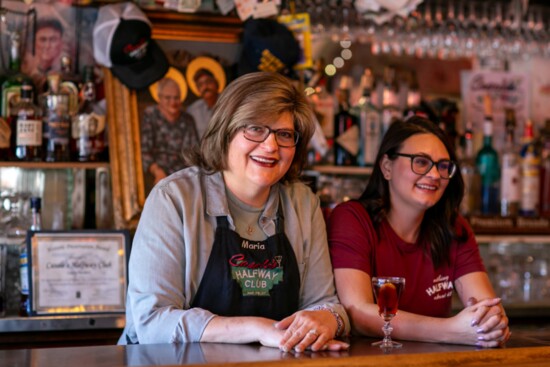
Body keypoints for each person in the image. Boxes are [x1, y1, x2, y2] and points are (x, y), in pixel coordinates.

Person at [119, 72, 350, 352]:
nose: (270, 146)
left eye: (285, 134)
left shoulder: (303, 203)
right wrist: (257, 328)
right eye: (255, 129)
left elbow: (324, 302)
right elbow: (152, 323)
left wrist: (329, 319)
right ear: (227, 129)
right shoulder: (174, 199)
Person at [328, 116, 510, 348]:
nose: (435, 175)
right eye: (421, 162)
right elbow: (357, 313)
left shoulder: (453, 228)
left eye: (443, 166)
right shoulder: (352, 219)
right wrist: (450, 330)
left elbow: (487, 308)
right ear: (387, 167)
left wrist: (492, 323)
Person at [141, 77, 198, 186]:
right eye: (168, 98)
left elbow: (193, 152)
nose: (173, 102)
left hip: (184, 176)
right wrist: (157, 171)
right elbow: (145, 150)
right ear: (159, 98)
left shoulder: (188, 119)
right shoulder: (150, 115)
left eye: (176, 98)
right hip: (158, 174)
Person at [23, 18, 64, 91]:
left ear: (61, 43)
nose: (47, 46)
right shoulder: (26, 72)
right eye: (43, 40)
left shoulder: (64, 76)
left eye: (53, 39)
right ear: (34, 43)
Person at [187, 68, 219, 138]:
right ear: (198, 90)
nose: (205, 87)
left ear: (216, 83)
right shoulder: (192, 110)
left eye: (208, 82)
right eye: (200, 85)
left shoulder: (229, 102)